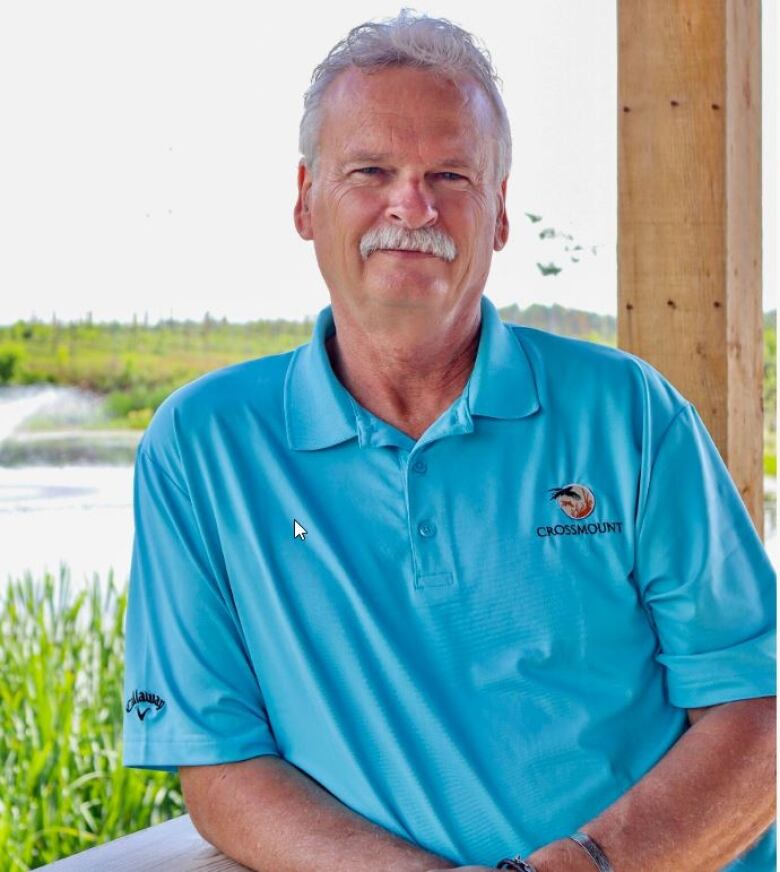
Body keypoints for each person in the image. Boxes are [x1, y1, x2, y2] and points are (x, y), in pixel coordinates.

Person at [123, 10, 776, 871]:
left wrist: (587, 866)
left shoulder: (630, 415)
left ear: (499, 213)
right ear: (303, 201)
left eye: (451, 174)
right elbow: (217, 763)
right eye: (370, 169)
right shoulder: (202, 449)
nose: (412, 204)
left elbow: (758, 711)